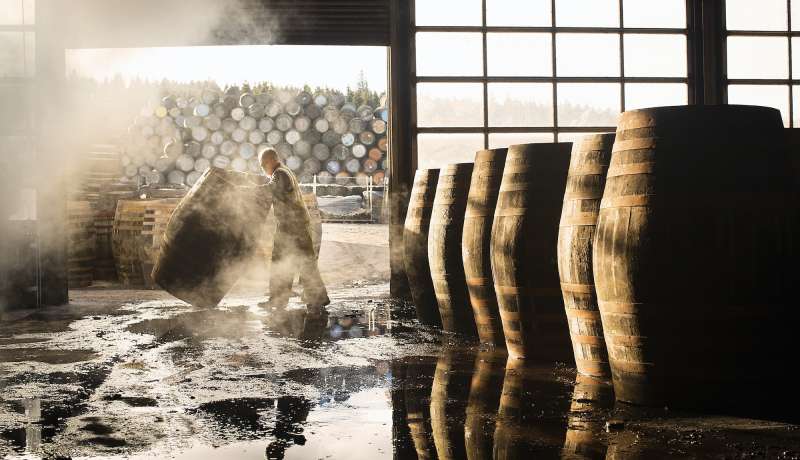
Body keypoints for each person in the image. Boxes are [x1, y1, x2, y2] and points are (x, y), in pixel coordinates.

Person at [257, 148, 329, 317]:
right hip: (292, 226)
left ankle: (315, 298)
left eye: (262, 165)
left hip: (293, 227)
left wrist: (245, 188)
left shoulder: (280, 174)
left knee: (301, 263)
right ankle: (280, 299)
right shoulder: (284, 172)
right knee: (285, 263)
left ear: (269, 161)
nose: (262, 169)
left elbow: (269, 190)